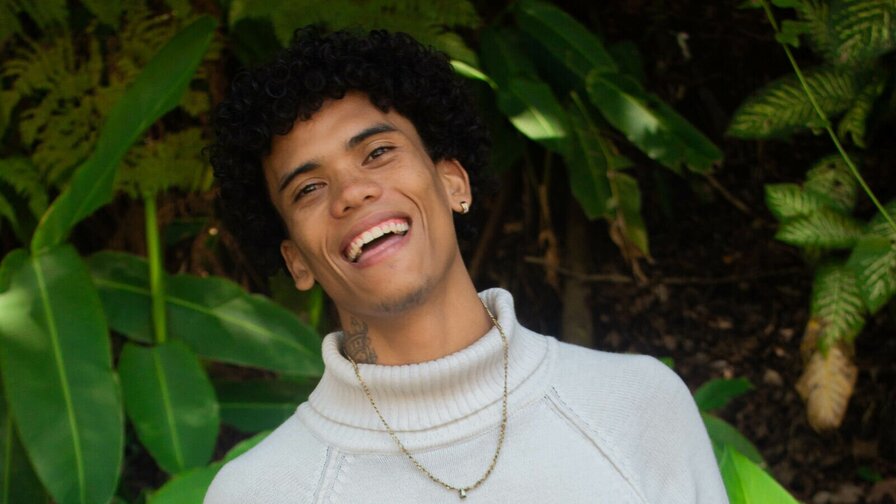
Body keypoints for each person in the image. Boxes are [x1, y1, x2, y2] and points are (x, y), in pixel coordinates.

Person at [205, 27, 727, 503]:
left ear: (453, 182)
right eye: (309, 188)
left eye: (378, 152)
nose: (352, 192)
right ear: (297, 261)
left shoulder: (637, 406)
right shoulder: (259, 492)